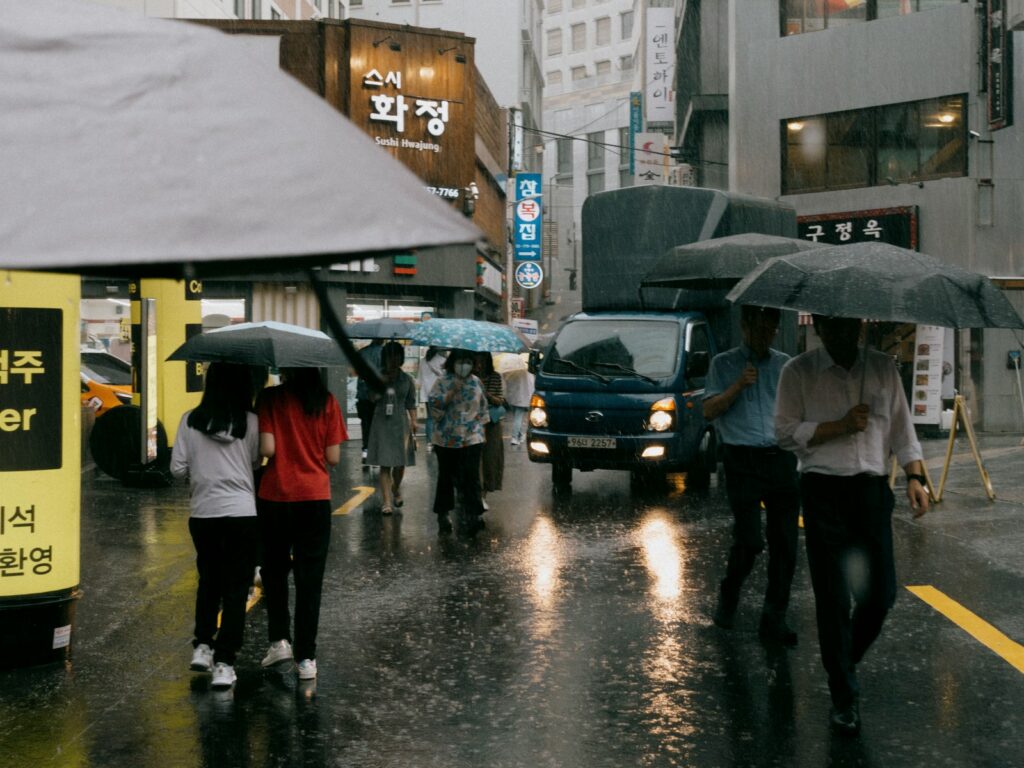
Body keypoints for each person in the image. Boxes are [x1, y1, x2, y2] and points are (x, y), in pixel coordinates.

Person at [775, 314, 930, 736]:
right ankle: (844, 696)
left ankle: (844, 661)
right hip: (823, 491)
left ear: (860, 327)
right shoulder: (798, 372)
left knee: (880, 595)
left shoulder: (881, 368)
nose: (843, 333)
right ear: (821, 328)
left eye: (850, 326)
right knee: (832, 598)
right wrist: (838, 426)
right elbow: (784, 432)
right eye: (833, 326)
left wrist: (915, 476)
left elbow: (902, 429)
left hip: (872, 492)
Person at [704, 306, 800, 647]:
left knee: (785, 544)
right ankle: (729, 592)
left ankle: (774, 618)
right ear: (744, 326)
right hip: (741, 460)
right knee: (750, 541)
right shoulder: (723, 364)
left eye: (770, 328)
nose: (763, 334)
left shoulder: (785, 365)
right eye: (757, 327)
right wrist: (737, 386)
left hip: (780, 459)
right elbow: (708, 409)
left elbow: (796, 409)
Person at [170, 363, 260, 690]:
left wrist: (199, 471)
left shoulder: (189, 420)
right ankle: (224, 663)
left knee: (208, 580)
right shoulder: (250, 422)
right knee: (236, 590)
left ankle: (203, 646)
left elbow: (177, 469)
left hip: (203, 513)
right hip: (241, 513)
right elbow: (253, 463)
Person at [256, 367, 347, 681]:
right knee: (310, 579)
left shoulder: (270, 398)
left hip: (276, 496)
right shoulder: (327, 401)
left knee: (275, 571)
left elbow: (267, 449)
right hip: (314, 498)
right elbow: (333, 457)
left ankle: (280, 641)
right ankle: (306, 659)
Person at [428, 349, 488, 534]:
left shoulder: (476, 382)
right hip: (447, 438)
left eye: (468, 361)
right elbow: (434, 407)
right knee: (446, 477)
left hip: (472, 437)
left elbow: (483, 407)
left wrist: (481, 430)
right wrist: (451, 393)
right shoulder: (442, 382)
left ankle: (474, 514)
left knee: (471, 477)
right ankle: (443, 514)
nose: (464, 365)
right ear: (453, 362)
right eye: (460, 361)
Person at [367, 341, 417, 514]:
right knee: (385, 463)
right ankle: (387, 502)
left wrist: (414, 421)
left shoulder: (407, 379)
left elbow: (411, 402)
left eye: (397, 356)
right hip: (381, 420)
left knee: (400, 463)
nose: (393, 360)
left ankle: (395, 488)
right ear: (384, 358)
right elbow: (372, 398)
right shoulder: (377, 376)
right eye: (390, 356)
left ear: (401, 358)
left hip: (401, 422)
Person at [475, 352, 505, 510]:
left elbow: (500, 400)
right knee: (474, 459)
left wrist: (486, 394)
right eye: (477, 361)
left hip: (492, 422)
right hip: (473, 421)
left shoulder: (495, 377)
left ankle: (483, 495)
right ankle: (473, 493)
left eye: (482, 361)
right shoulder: (470, 378)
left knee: (489, 459)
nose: (480, 365)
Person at [355, 338, 384, 465]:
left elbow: (357, 372)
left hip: (363, 394)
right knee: (379, 425)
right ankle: (376, 453)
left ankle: (366, 450)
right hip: (379, 396)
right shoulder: (384, 353)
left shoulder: (362, 353)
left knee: (366, 424)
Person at [417, 346, 446, 452]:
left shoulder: (423, 361)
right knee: (440, 417)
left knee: (429, 418)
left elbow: (419, 378)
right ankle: (439, 441)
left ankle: (430, 442)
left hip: (426, 393)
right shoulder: (442, 361)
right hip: (438, 394)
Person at [503, 362, 534, 447]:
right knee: (518, 418)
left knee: (517, 418)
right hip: (522, 398)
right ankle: (514, 437)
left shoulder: (510, 371)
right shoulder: (527, 372)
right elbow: (531, 385)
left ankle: (519, 435)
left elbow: (506, 382)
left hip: (512, 398)